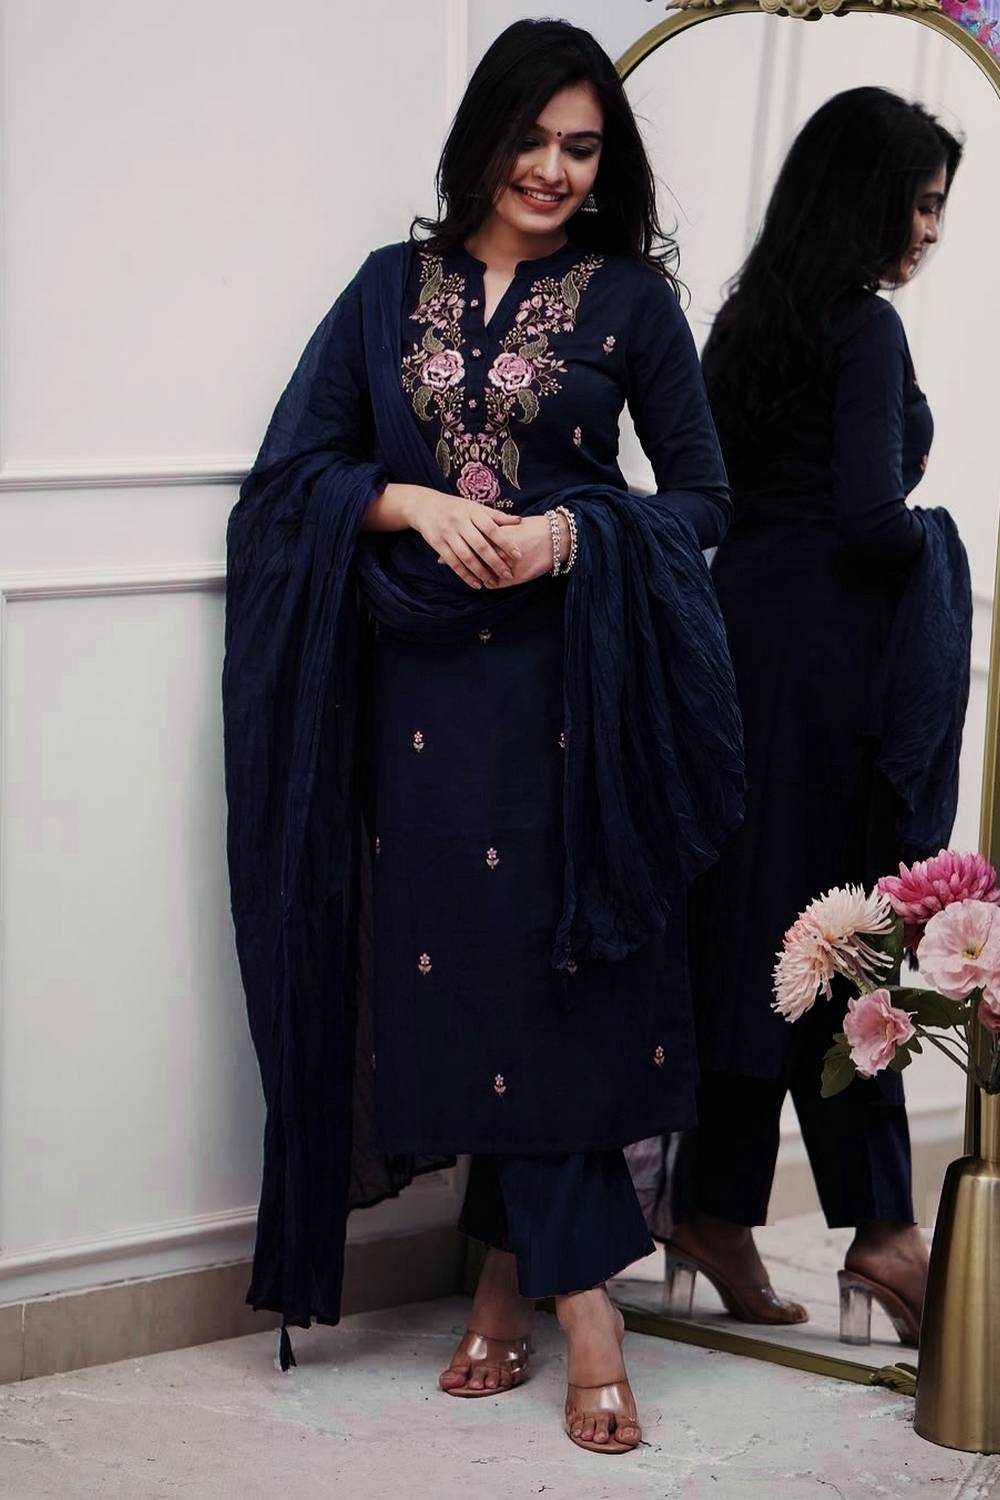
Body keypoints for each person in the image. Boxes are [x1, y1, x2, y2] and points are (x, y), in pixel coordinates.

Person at [223, 19, 743, 1455]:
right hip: (423, 702)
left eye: (583, 148)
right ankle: (527, 1284)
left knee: (557, 978)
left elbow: (705, 498)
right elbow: (294, 475)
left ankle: (564, 1304)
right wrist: (407, 504)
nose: (554, 170)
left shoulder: (632, 303)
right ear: (483, 140)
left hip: (576, 686)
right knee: (470, 976)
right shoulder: (387, 291)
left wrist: (575, 534)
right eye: (533, 139)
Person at [658, 87, 969, 1345]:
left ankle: (713, 1210)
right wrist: (936, 536)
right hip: (830, 668)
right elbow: (871, 522)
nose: (930, 229)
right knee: (842, 943)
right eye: (921, 202)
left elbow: (717, 492)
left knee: (760, 940)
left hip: (737, 646)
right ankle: (885, 1235)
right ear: (866, 199)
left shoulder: (742, 326)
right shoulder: (865, 331)